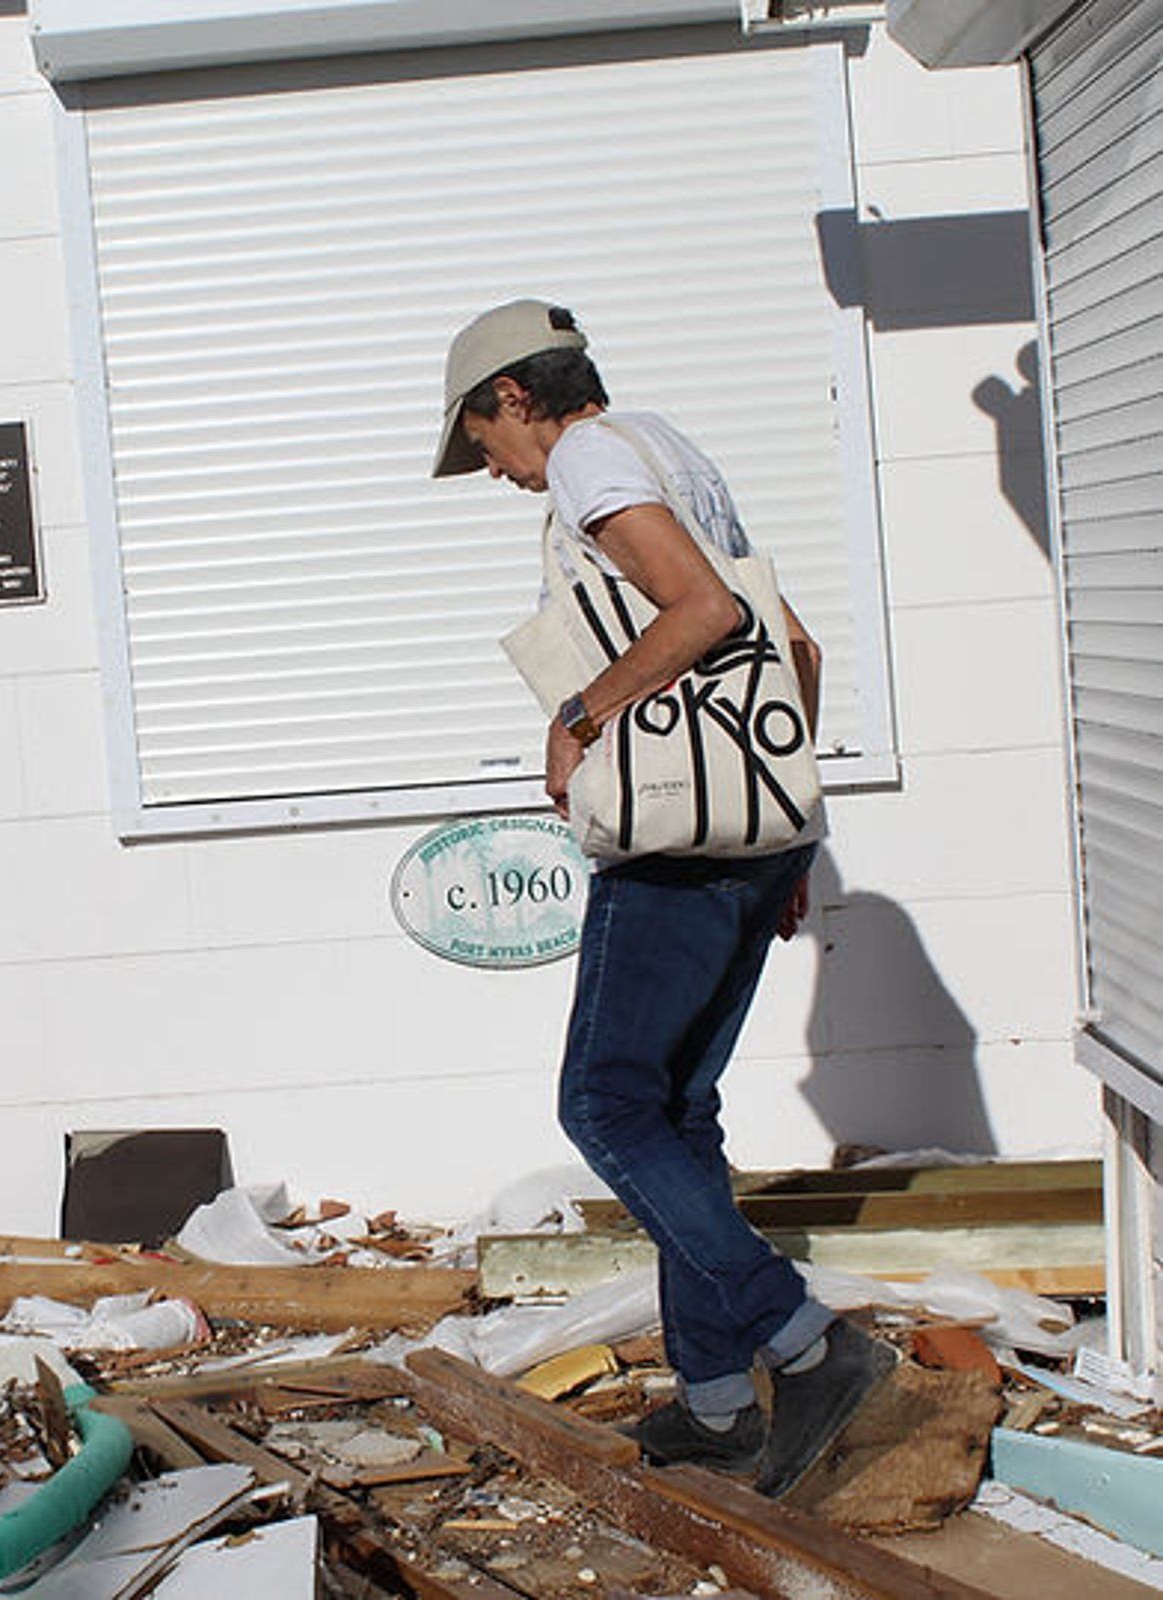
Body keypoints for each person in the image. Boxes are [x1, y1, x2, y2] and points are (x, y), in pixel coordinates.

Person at [433, 299, 894, 1497]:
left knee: (606, 1102)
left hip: (676, 845)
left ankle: (805, 1343)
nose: (491, 468)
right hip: (745, 839)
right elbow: (796, 648)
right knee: (680, 1113)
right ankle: (717, 1403)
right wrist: (778, 835)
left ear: (518, 398)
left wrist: (579, 714)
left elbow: (710, 611)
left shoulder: (588, 456)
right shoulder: (668, 448)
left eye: (483, 438)